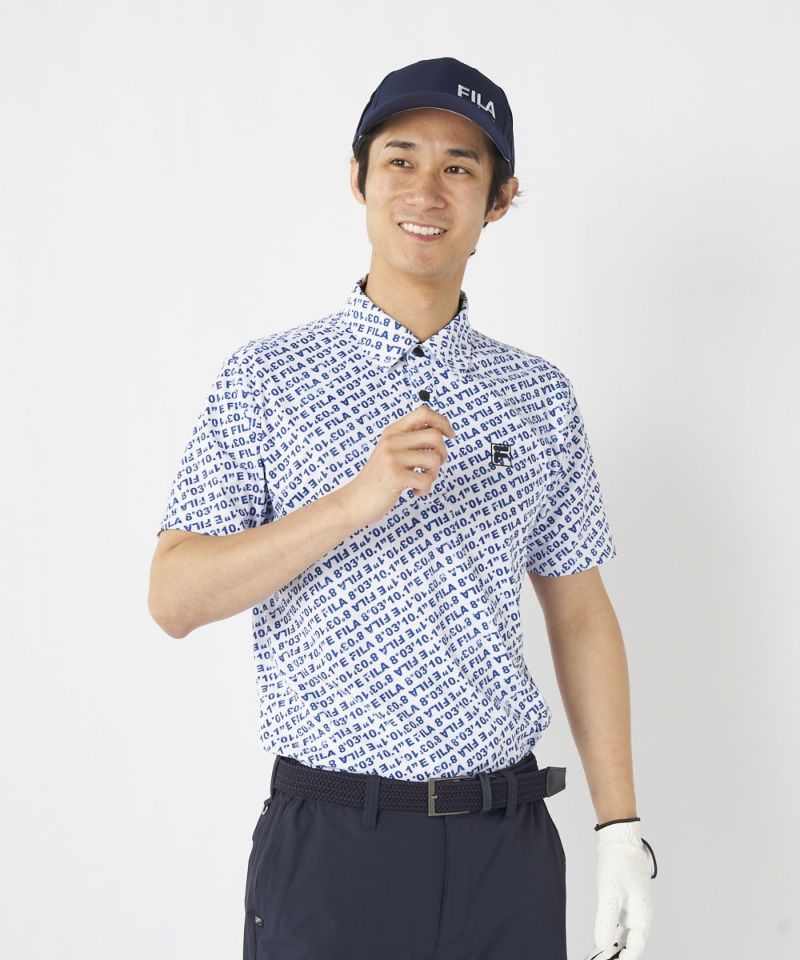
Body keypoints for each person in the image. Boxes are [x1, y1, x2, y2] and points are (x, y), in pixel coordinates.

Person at [149, 55, 656, 960]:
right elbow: (174, 597)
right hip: (335, 847)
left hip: (505, 846)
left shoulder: (537, 395)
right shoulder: (268, 380)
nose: (426, 190)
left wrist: (620, 829)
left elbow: (580, 610)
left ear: (499, 200)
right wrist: (354, 501)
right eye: (400, 159)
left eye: (460, 166)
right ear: (358, 177)